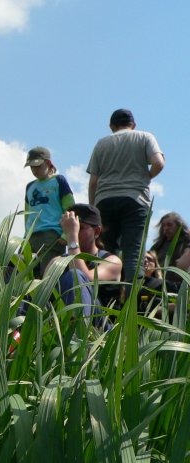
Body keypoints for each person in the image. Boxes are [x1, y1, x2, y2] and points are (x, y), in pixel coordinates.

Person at [87, 108, 165, 283]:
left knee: (107, 252)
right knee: (133, 253)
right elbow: (158, 163)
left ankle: (107, 298)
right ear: (133, 125)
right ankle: (131, 303)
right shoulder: (145, 137)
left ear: (111, 126)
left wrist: (94, 210)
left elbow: (93, 181)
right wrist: (146, 177)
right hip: (135, 200)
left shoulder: (101, 143)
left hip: (105, 200)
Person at [57, 204, 122, 321]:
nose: (75, 232)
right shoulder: (57, 262)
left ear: (96, 231)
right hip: (62, 323)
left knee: (75, 275)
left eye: (80, 228)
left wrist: (71, 237)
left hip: (100, 328)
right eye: (69, 228)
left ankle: (79, 330)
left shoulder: (112, 261)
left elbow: (84, 281)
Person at [23, 146, 75, 277]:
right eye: (31, 167)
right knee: (27, 275)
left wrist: (65, 234)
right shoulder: (29, 187)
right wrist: (25, 238)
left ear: (48, 163)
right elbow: (27, 215)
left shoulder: (59, 181)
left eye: (37, 166)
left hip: (52, 235)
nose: (34, 170)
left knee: (47, 275)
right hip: (32, 236)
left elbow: (70, 208)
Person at [150, 212, 190, 286]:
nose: (166, 228)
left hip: (181, 285)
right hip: (159, 284)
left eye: (169, 225)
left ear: (179, 226)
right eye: (163, 225)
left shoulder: (186, 242)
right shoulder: (158, 246)